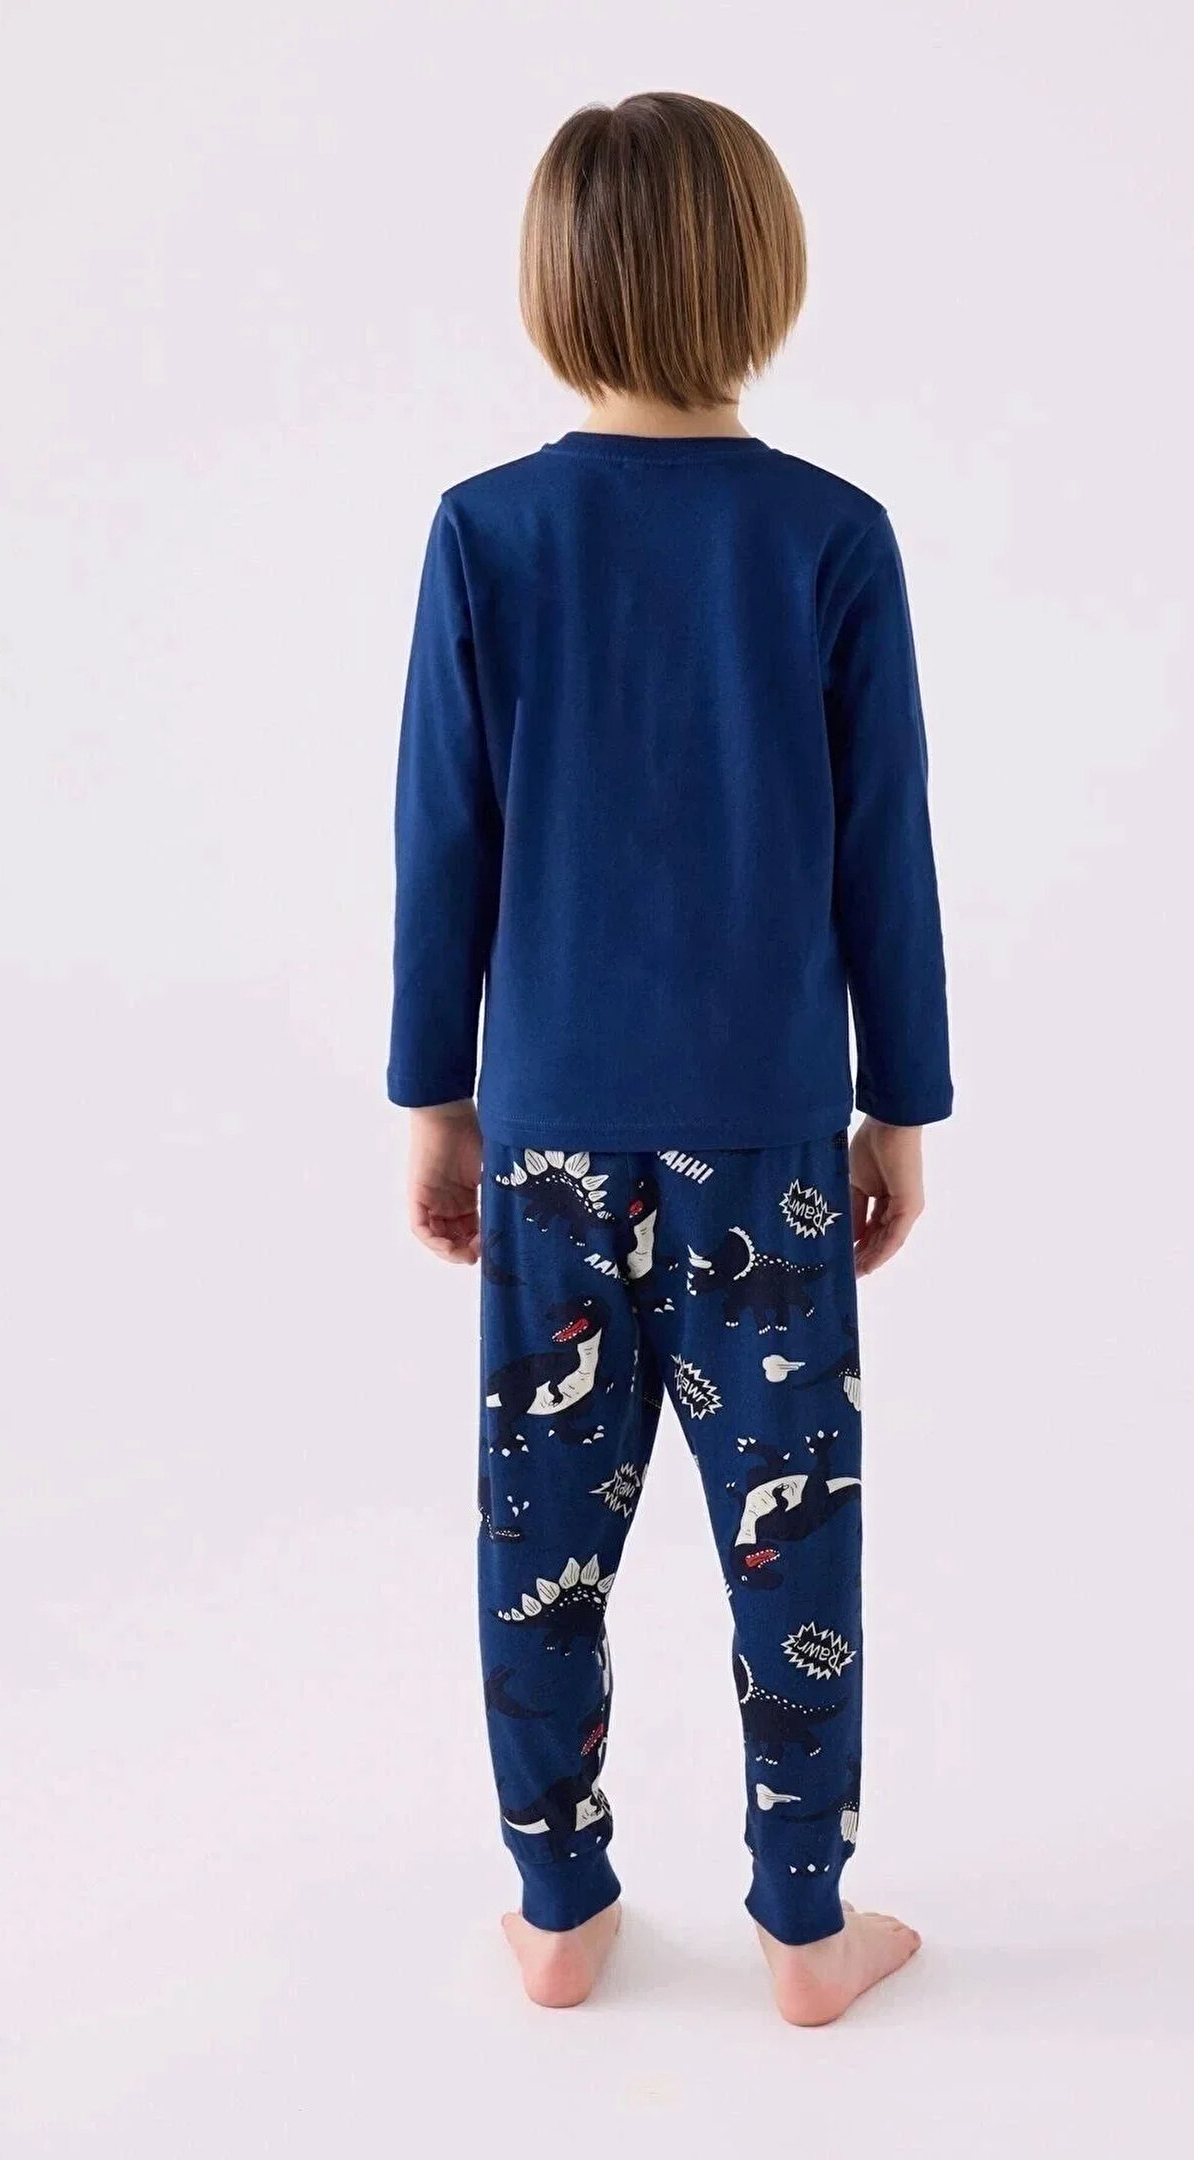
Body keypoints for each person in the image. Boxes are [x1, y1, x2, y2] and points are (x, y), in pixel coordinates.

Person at [388, 92, 951, 2025]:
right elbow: (885, 854)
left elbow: (440, 845)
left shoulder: (487, 533)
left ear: (554, 286)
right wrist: (901, 1107)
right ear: (763, 274)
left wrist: (436, 1100)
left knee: (539, 1534)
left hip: (549, 1125)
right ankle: (804, 1927)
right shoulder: (830, 536)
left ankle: (558, 1910)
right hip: (768, 1136)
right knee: (792, 1540)